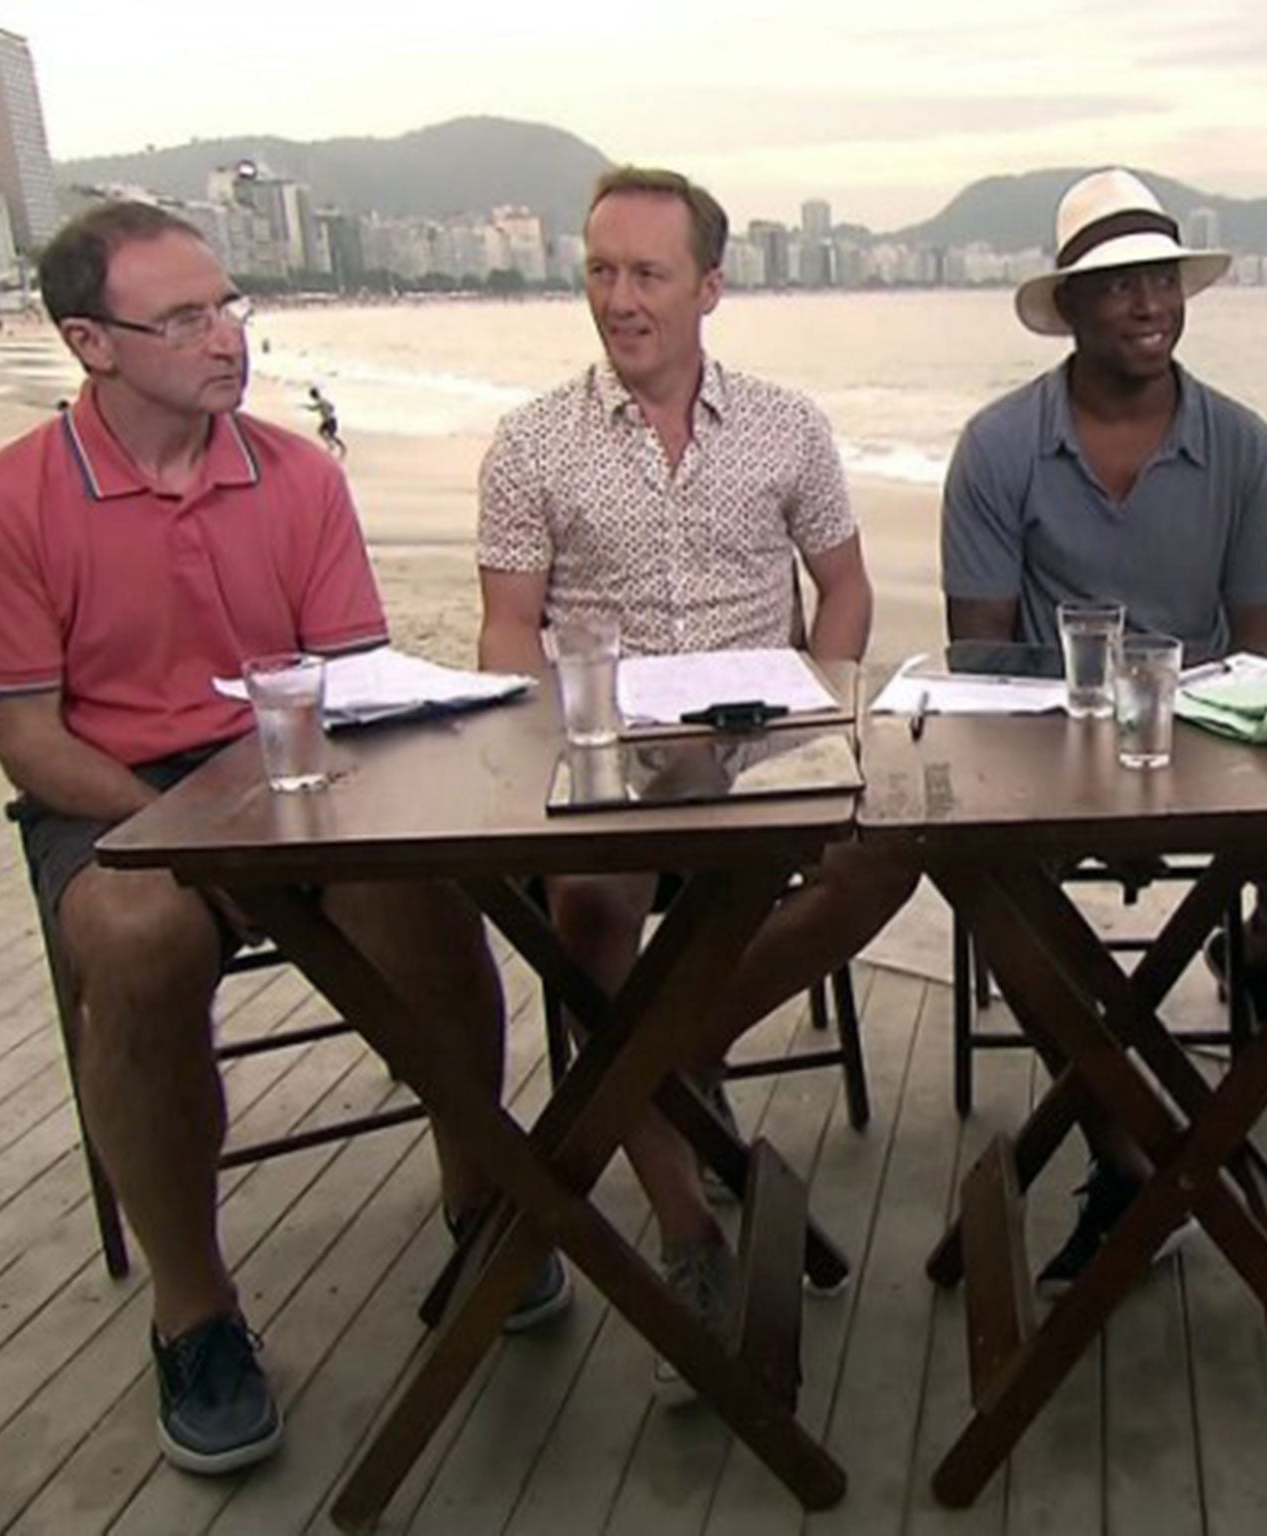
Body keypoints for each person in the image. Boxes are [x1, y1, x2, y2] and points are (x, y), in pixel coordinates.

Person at [0, 202, 567, 1478]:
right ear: (87, 342)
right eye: (181, 317)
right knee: (139, 942)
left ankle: (477, 1189)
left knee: (430, 900)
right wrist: (185, 826)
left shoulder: (298, 475)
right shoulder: (0, 502)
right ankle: (196, 1309)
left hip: (302, 769)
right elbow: (30, 740)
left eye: (227, 306)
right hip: (115, 788)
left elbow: (353, 678)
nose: (225, 338)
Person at [476, 166, 917, 1375]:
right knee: (586, 902)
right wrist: (538, 734)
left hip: (759, 747)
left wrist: (821, 712)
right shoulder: (531, 444)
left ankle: (664, 1058)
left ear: (708, 288)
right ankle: (683, 1219)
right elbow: (508, 628)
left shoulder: (785, 425)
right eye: (600, 272)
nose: (619, 300)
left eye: (647, 275)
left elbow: (845, 588)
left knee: (885, 864)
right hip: (607, 756)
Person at [941, 166, 1267, 1293]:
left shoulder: (1241, 446)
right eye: (1114, 285)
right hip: (1048, 742)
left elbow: (1263, 657)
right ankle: (1125, 1147)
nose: (1147, 301)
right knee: (976, 873)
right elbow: (981, 664)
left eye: (1161, 278)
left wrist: (1183, 748)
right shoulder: (998, 447)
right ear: (1069, 308)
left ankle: (1251, 946)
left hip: (1206, 733)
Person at [307, 385, 345, 457]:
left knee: (331, 435)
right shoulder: (322, 400)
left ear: (314, 395)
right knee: (321, 432)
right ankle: (331, 445)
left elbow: (313, 409)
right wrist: (328, 411)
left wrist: (328, 413)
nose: (312, 397)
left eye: (312, 396)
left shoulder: (321, 401)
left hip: (330, 420)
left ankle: (341, 447)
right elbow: (332, 407)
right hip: (328, 420)